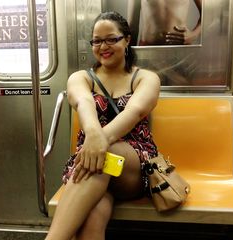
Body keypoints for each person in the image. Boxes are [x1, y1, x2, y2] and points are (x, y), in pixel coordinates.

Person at [45, 11, 160, 240]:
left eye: (111, 39)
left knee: (107, 154)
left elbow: (134, 111)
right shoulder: (81, 77)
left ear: (127, 39)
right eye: (97, 41)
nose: (103, 46)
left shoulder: (145, 78)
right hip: (92, 165)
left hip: (133, 166)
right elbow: (84, 102)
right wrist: (93, 135)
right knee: (90, 222)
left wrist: (99, 141)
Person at [128, 0, 202, 46]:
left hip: (180, 49)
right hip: (147, 49)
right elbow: (132, 26)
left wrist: (193, 35)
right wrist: (129, 59)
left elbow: (206, 13)